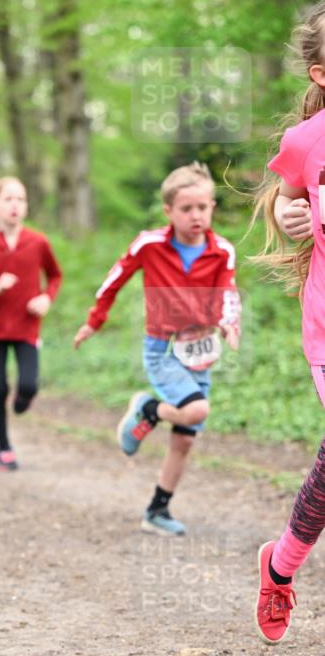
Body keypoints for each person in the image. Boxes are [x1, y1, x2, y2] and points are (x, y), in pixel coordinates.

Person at [74, 162, 241, 535]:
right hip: (162, 349)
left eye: (203, 207)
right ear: (169, 211)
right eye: (187, 209)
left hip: (200, 348)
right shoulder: (149, 245)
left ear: (212, 206)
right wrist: (94, 321)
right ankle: (148, 408)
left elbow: (228, 292)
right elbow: (114, 280)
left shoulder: (222, 251)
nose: (196, 215)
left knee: (185, 438)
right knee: (196, 409)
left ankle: (157, 510)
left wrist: (230, 323)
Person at [251, 0, 325, 645]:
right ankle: (279, 570)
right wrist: (286, 217)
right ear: (320, 75)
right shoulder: (304, 141)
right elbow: (282, 200)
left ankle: (279, 564)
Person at [0, 176, 62, 470]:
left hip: (27, 327)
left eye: (20, 199)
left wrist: (46, 297)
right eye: (8, 199)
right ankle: (3, 447)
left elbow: (55, 275)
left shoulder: (38, 242)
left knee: (28, 385)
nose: (15, 205)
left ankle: (23, 401)